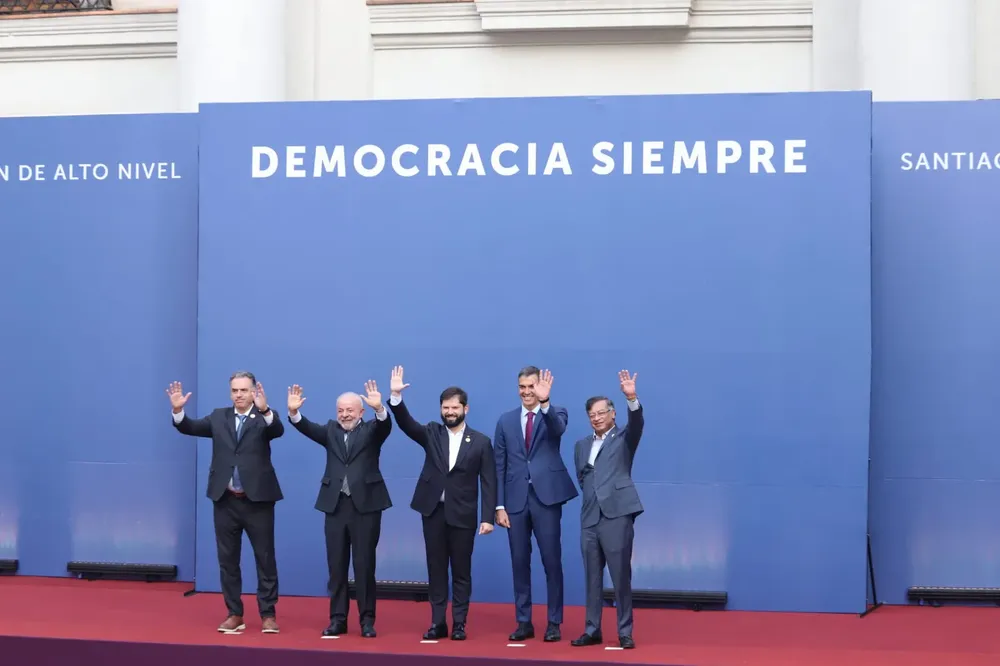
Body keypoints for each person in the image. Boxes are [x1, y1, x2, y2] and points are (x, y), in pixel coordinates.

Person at [166, 372, 285, 635]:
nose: (239, 395)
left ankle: (268, 614)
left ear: (254, 391)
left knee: (265, 559)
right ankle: (235, 614)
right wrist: (178, 411)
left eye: (244, 390)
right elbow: (190, 427)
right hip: (225, 500)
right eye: (235, 390)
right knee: (228, 561)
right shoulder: (219, 416)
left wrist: (265, 409)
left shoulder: (264, 417)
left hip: (258, 501)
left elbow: (277, 429)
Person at [385, 365, 496, 641]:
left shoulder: (481, 442)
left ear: (465, 409)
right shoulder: (432, 432)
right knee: (435, 569)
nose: (449, 412)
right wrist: (396, 398)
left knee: (461, 571)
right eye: (445, 407)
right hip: (433, 511)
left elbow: (489, 481)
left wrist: (487, 517)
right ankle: (438, 623)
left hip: (464, 514)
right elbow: (407, 424)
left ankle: (459, 623)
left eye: (454, 408)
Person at [286, 380, 392, 639]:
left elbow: (385, 426)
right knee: (337, 566)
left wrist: (380, 408)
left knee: (364, 566)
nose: (345, 415)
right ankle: (338, 620)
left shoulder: (371, 431)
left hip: (366, 507)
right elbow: (307, 428)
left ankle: (367, 621)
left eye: (350, 410)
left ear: (361, 412)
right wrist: (293, 413)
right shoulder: (331, 431)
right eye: (341, 410)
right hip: (335, 506)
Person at [493, 366, 578, 642]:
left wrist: (545, 403)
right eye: (522, 387)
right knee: (519, 562)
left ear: (540, 387)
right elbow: (499, 465)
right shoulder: (505, 421)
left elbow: (558, 429)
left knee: (551, 561)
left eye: (531, 386)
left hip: (546, 498)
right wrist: (499, 505)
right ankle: (523, 621)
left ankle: (554, 622)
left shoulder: (555, 412)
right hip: (515, 501)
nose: (527, 392)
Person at [570, 370, 644, 650]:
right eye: (592, 414)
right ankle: (592, 629)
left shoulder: (625, 438)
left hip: (617, 515)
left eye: (601, 413)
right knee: (592, 577)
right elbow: (583, 478)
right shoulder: (581, 446)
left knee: (620, 576)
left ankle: (624, 631)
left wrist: (631, 397)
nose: (597, 418)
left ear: (612, 414)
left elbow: (637, 422)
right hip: (589, 518)